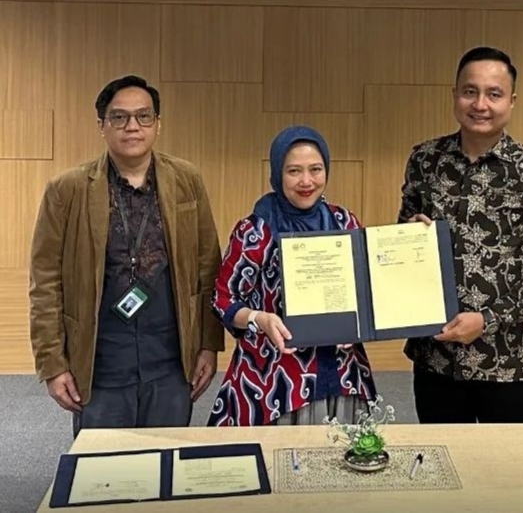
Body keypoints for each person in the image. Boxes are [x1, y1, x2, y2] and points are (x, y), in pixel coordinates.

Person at [29, 75, 223, 437]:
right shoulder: (67, 190)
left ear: (157, 124)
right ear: (102, 125)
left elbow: (208, 267)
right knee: (103, 466)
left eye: (143, 116)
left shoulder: (187, 180)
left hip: (170, 358)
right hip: (100, 360)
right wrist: (52, 364)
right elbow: (45, 284)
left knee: (165, 459)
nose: (132, 126)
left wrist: (210, 345)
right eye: (119, 117)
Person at [399, 46, 523, 423]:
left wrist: (488, 318)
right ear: (454, 94)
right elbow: (402, 239)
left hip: (508, 361)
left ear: (511, 101)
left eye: (494, 93)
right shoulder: (425, 161)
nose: (480, 104)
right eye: (469, 91)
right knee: (441, 456)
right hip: (437, 357)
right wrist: (407, 239)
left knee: (505, 462)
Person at [208, 125, 377, 426]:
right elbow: (223, 299)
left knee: (342, 452)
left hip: (342, 374)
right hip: (275, 381)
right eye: (294, 171)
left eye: (316, 169)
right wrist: (259, 319)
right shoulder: (255, 231)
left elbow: (367, 289)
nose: (306, 181)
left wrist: (360, 324)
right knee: (277, 454)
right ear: (277, 173)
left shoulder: (344, 221)